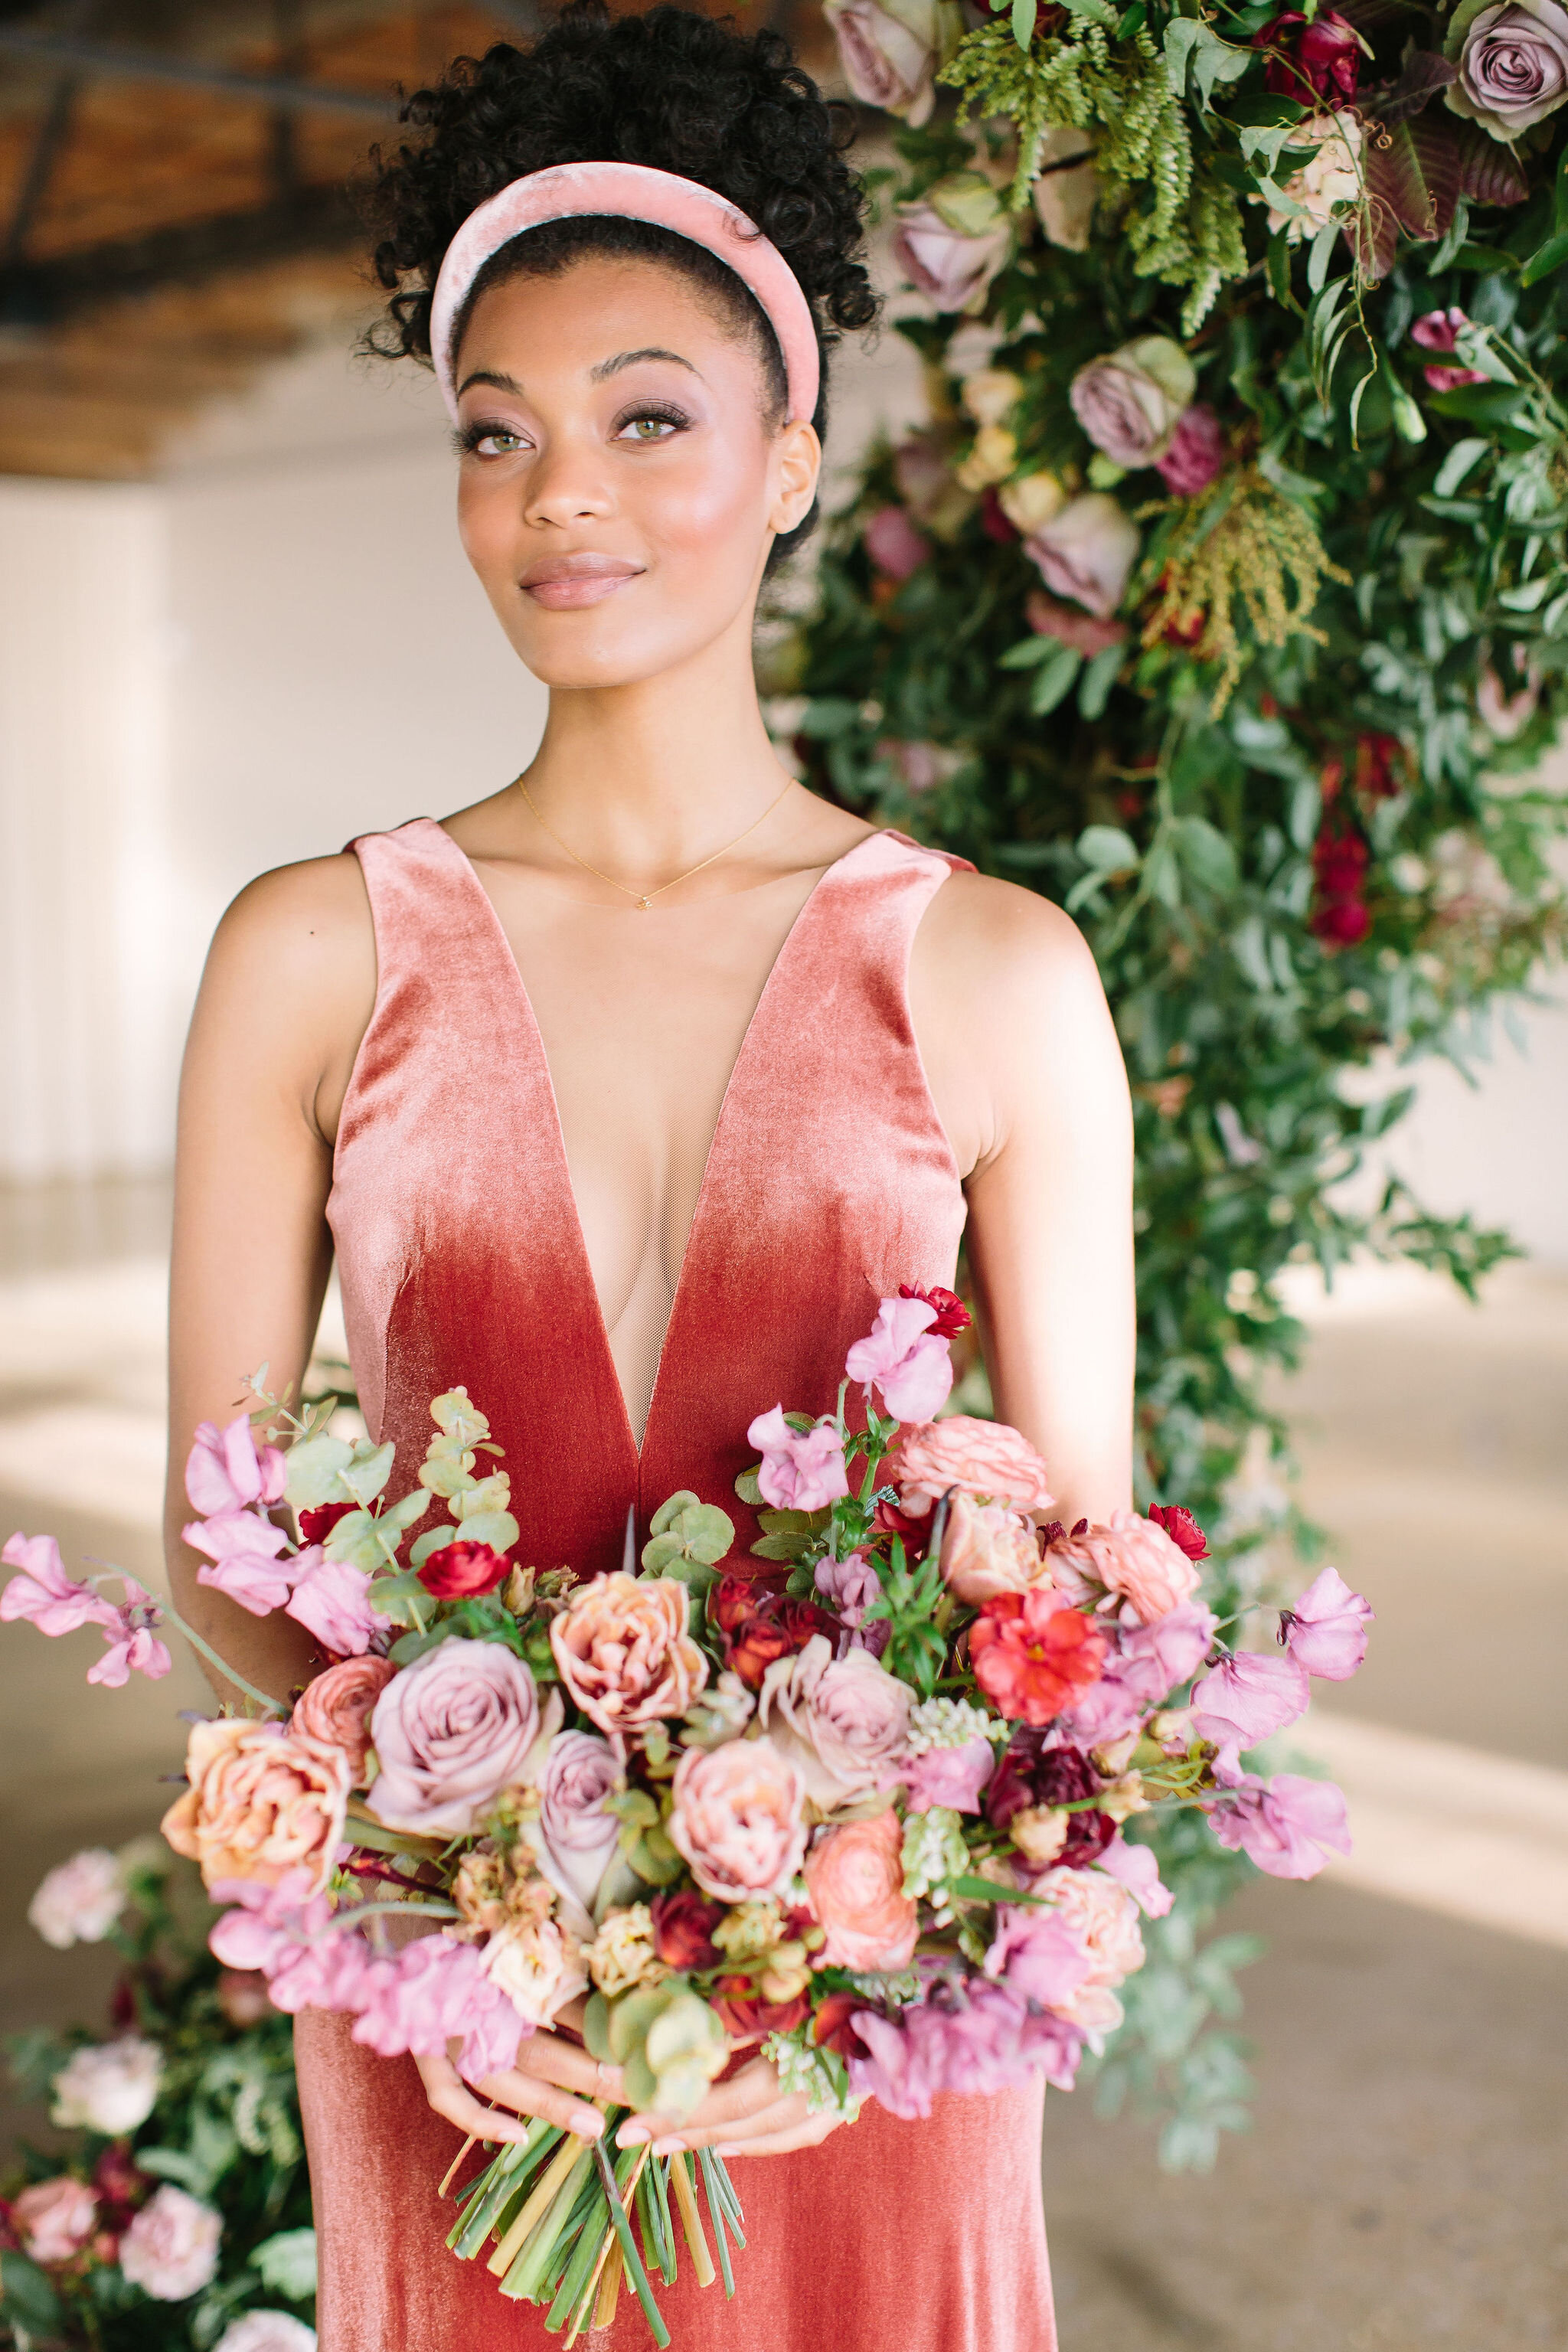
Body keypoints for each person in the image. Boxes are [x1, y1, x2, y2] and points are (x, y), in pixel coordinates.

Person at [165, 6, 1133, 2346]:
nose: (559, 498)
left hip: (860, 2037)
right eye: (496, 432)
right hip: (460, 2038)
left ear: (793, 459)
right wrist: (443, 1910)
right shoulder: (312, 955)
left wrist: (847, 1965)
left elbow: (1083, 1587)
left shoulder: (997, 972)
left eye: (648, 420)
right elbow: (216, 1538)